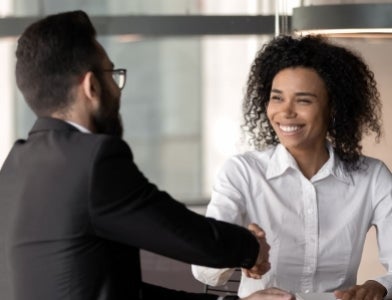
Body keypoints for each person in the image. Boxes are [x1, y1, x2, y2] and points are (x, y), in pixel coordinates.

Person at [0, 10, 294, 300]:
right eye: (111, 75)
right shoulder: (92, 161)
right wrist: (250, 248)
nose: (117, 89)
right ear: (91, 86)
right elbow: (186, 235)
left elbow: (120, 288)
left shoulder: (15, 165)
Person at [192, 35, 392, 300]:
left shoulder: (372, 177)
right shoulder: (241, 172)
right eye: (277, 98)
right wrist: (241, 246)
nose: (285, 112)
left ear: (334, 107)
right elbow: (203, 271)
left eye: (303, 100)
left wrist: (380, 286)